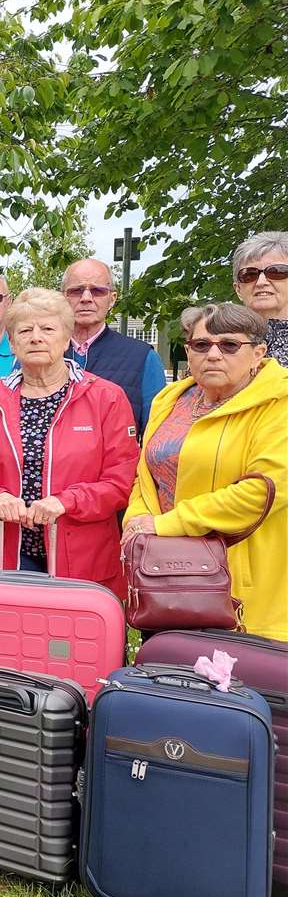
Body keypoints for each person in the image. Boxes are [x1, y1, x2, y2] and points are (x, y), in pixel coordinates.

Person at [0, 289, 138, 591]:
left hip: (81, 557)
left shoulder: (106, 398)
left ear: (67, 339)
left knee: (71, 638)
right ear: (11, 343)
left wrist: (66, 502)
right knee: (4, 636)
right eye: (25, 330)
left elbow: (120, 481)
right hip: (3, 553)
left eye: (48, 329)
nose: (36, 337)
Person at [124, 303, 288, 640]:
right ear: (188, 350)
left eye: (229, 345)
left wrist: (165, 525)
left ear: (258, 352)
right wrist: (137, 522)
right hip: (166, 581)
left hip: (241, 586)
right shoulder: (170, 399)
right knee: (168, 682)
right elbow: (147, 474)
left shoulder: (279, 402)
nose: (213, 354)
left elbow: (263, 491)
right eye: (201, 345)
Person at [61, 257, 167, 435]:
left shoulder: (143, 358)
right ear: (63, 297)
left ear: (112, 299)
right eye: (76, 290)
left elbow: (156, 437)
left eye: (97, 291)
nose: (86, 298)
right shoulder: (40, 353)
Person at [231, 231, 288, 366]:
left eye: (276, 272)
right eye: (249, 275)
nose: (261, 282)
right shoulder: (216, 342)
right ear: (238, 289)